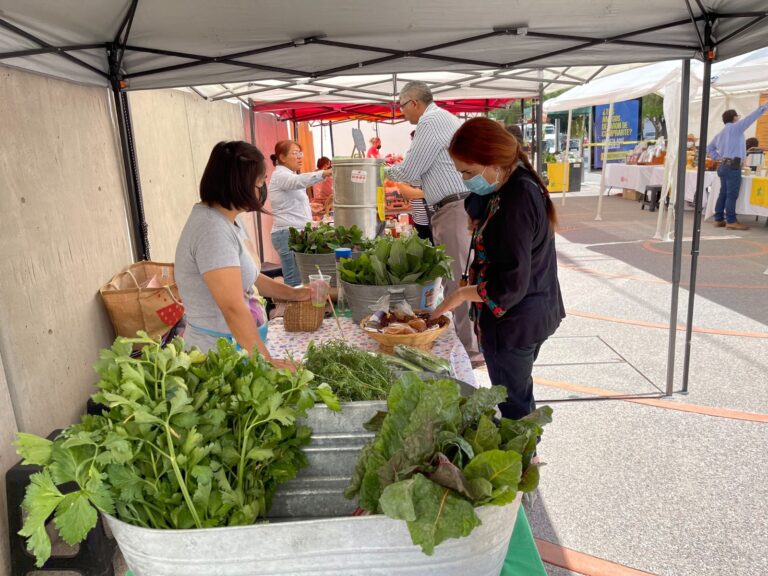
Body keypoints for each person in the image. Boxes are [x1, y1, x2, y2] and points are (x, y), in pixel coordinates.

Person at [431, 118, 565, 420]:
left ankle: (524, 459)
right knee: (518, 391)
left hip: (515, 324)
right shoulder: (512, 181)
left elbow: (509, 285)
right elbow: (477, 202)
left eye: (468, 172)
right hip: (532, 314)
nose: (465, 180)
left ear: (494, 163)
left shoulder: (516, 201)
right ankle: (526, 452)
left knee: (514, 406)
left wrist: (461, 294)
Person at [174, 141, 309, 370]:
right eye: (260, 181)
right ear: (240, 183)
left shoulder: (231, 219)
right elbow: (232, 307)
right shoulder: (212, 230)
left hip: (241, 347)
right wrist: (267, 362)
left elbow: (249, 277)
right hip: (218, 356)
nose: (262, 188)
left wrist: (294, 294)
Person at [385, 81, 479, 360]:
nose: (402, 114)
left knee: (458, 279)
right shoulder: (441, 119)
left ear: (413, 102)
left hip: (454, 207)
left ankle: (470, 349)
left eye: (402, 107)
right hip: (450, 206)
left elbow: (411, 172)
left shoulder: (431, 120)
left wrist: (381, 169)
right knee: (459, 277)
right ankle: (470, 344)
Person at [269, 140, 333, 285]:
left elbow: (289, 204)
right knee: (294, 282)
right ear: (282, 157)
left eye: (300, 153)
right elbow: (298, 181)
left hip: (294, 233)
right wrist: (324, 173)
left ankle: (298, 307)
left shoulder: (288, 176)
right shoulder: (281, 175)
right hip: (287, 234)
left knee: (301, 280)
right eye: (295, 153)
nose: (300, 157)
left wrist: (309, 208)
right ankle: (291, 308)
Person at [706, 103, 768, 230]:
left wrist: (719, 158)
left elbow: (709, 148)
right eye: (737, 117)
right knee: (731, 195)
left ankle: (718, 219)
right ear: (734, 118)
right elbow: (752, 117)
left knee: (723, 193)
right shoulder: (736, 127)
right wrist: (764, 106)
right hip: (733, 166)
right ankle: (731, 221)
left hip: (723, 166)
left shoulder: (721, 133)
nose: (739, 119)